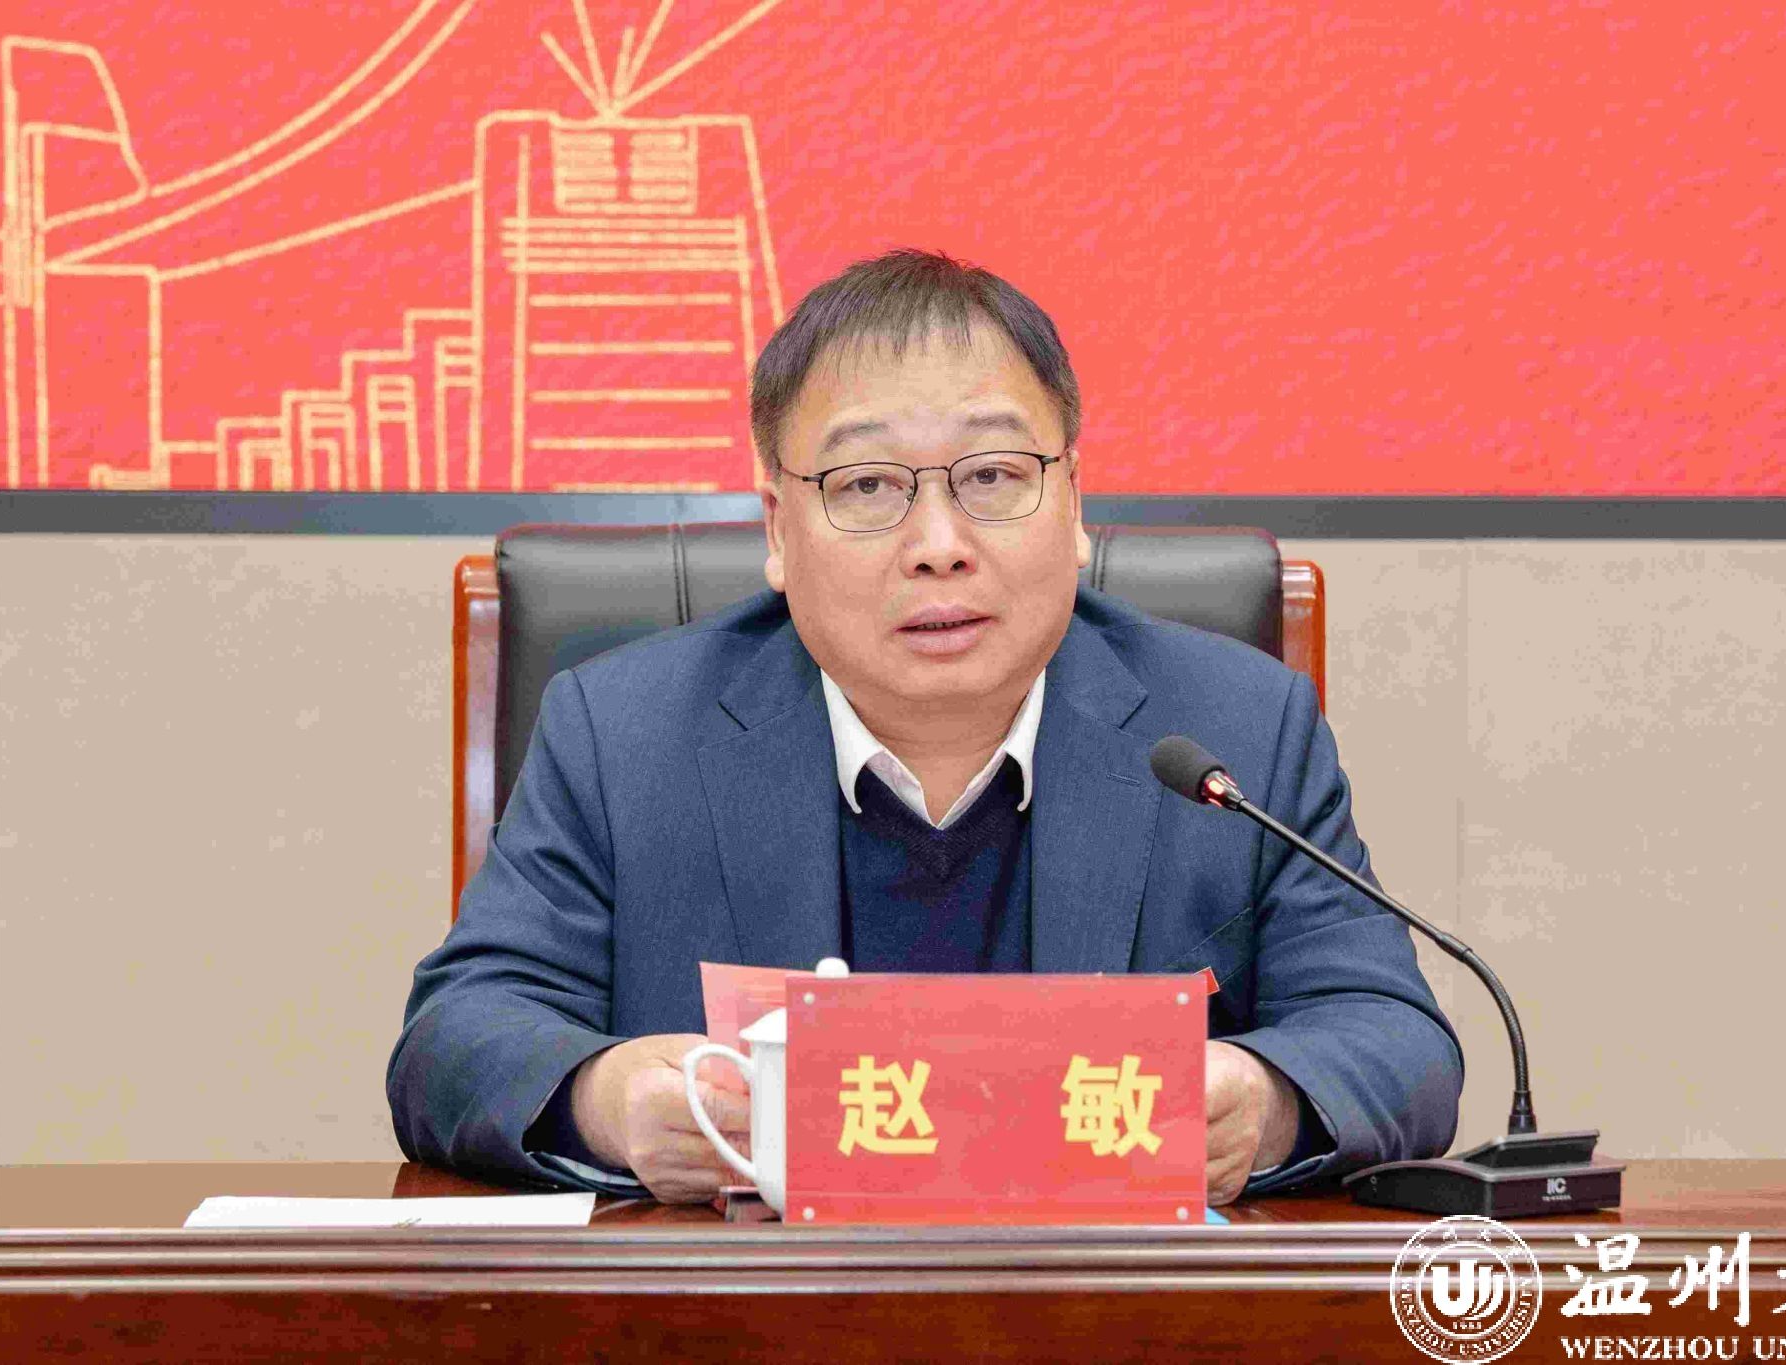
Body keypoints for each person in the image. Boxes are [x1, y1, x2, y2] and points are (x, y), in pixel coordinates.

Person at [387, 249, 1461, 1205]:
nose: (938, 543)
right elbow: (456, 1039)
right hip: (751, 1322)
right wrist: (609, 1100)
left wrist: (1262, 1101)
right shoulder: (622, 736)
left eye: (992, 475)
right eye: (867, 485)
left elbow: (1396, 1042)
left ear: (1074, 504)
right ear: (777, 530)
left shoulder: (1233, 730)